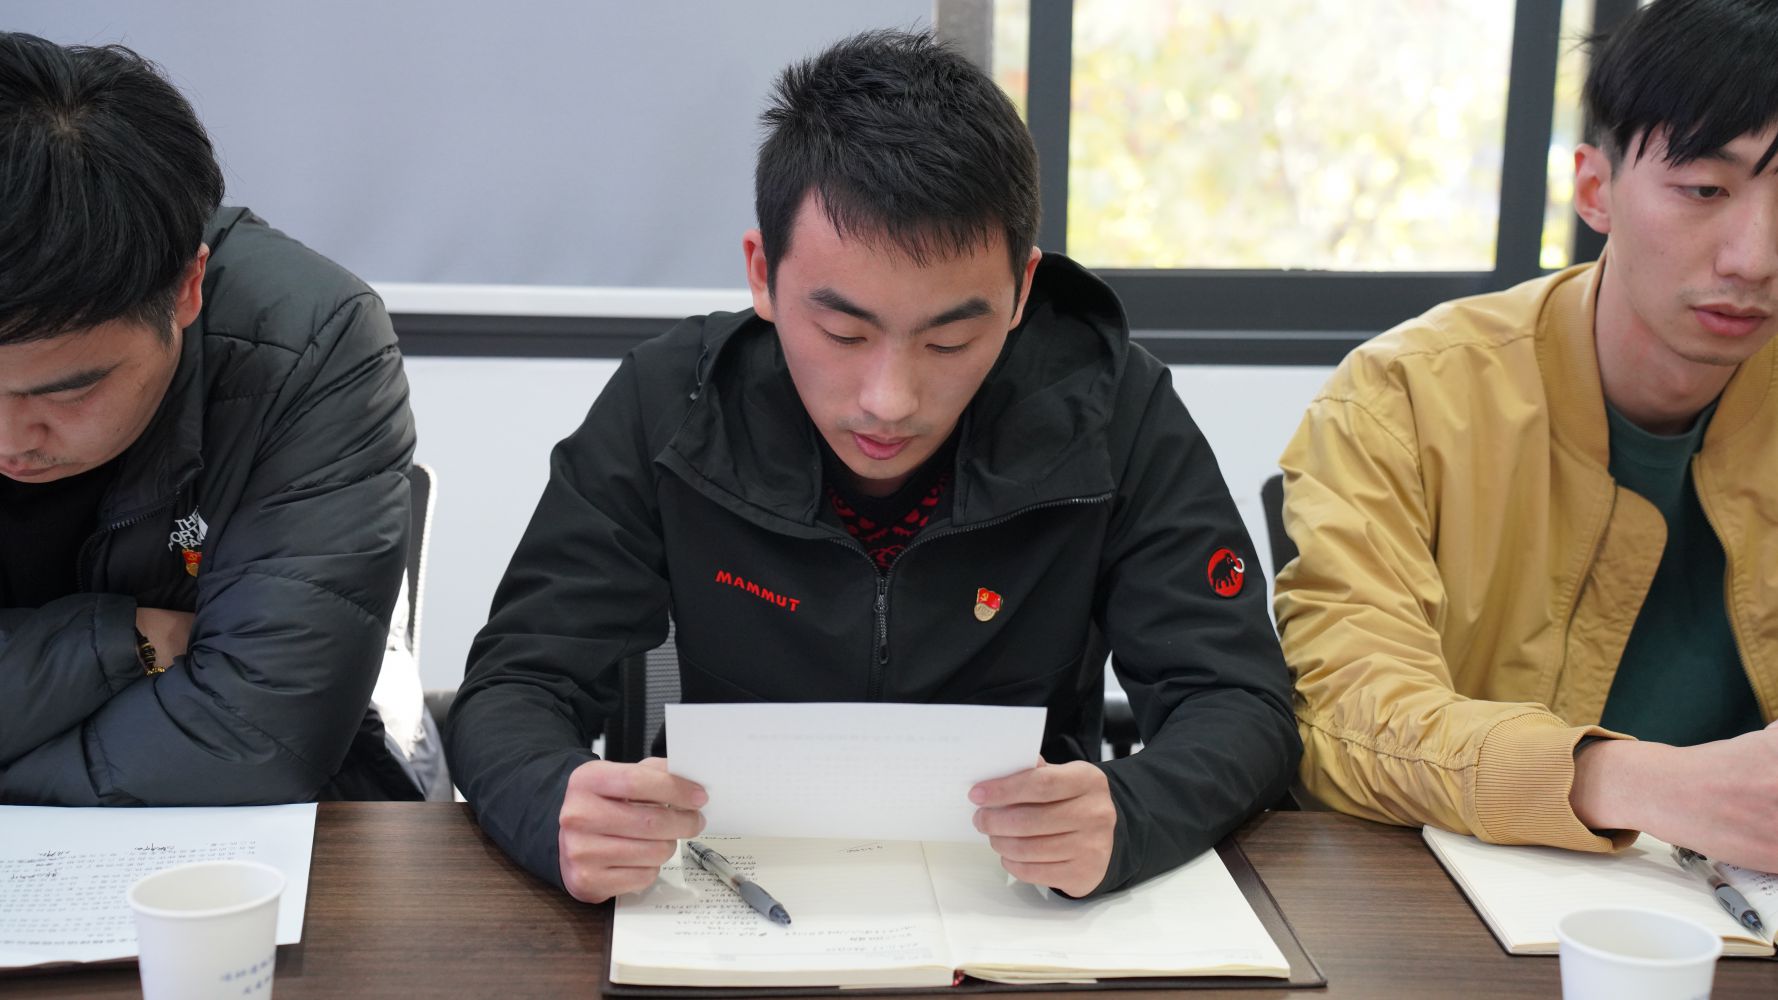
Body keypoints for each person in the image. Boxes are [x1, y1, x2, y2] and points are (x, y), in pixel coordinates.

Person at [446, 29, 1297, 903]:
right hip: (728, 884)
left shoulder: (1111, 410)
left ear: (1021, 292)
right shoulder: (672, 406)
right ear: (762, 275)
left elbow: (1241, 703)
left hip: (1020, 899)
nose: (890, 401)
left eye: (949, 341)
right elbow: (516, 685)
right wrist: (556, 803)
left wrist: (1131, 812)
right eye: (844, 333)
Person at [1276, 0, 1778, 868]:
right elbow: (1343, 715)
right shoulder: (1403, 400)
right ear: (1595, 189)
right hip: (1473, 901)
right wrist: (1627, 782)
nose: (1754, 258)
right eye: (1705, 189)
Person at [0, 33, 428, 803]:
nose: (9, 439)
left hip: (246, 850)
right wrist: (118, 642)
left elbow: (252, 739)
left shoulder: (307, 344)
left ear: (187, 288)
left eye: (64, 393)